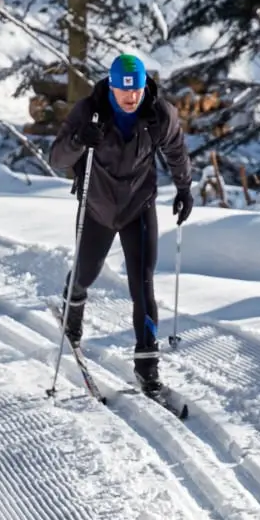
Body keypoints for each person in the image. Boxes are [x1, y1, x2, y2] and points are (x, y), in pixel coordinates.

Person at [47, 52, 195, 395]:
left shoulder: (160, 113)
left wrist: (184, 188)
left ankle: (148, 365)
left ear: (144, 87)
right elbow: (57, 159)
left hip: (137, 206)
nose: (130, 98)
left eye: (136, 91)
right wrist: (80, 140)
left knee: (142, 285)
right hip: (97, 206)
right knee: (85, 272)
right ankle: (73, 310)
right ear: (111, 87)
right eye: (123, 91)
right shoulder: (89, 111)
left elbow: (176, 150)